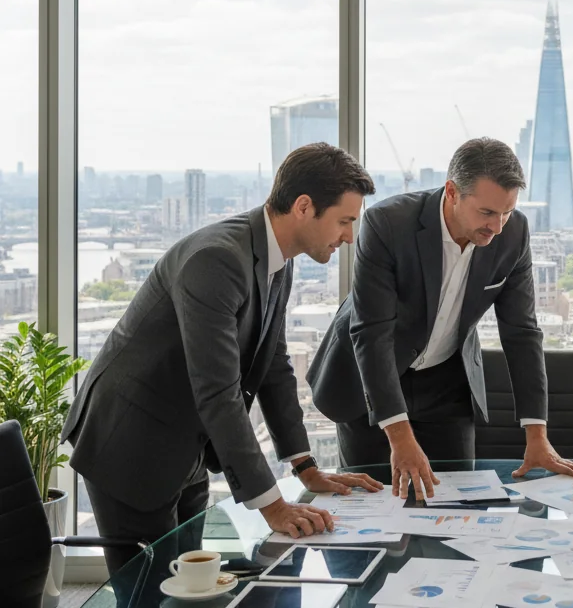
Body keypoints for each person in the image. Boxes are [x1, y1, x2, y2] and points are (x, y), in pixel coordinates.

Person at [62, 143, 383, 574]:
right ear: (304, 207)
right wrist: (274, 508)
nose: (349, 236)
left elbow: (273, 366)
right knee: (146, 606)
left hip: (186, 446)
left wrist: (304, 466)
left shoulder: (278, 261)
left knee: (185, 596)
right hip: (131, 445)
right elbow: (218, 391)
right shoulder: (217, 258)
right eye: (344, 221)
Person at [307, 137, 573, 498]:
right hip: (372, 381)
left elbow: (522, 332)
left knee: (457, 505)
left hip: (446, 384)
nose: (497, 227)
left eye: (507, 211)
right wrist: (399, 437)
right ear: (452, 192)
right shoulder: (387, 224)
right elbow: (372, 334)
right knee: (374, 504)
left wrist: (537, 435)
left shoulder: (513, 233)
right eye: (486, 213)